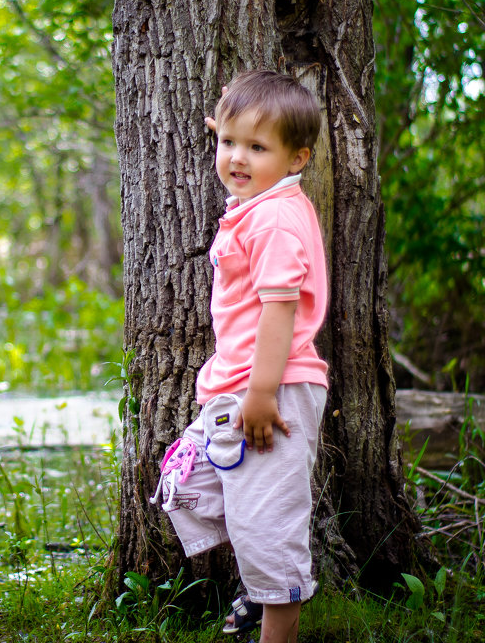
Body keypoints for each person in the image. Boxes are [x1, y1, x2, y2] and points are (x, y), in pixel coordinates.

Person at [150, 70, 329, 643]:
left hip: (271, 389)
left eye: (257, 147)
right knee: (194, 484)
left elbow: (279, 311)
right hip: (235, 388)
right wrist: (236, 128)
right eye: (228, 143)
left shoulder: (275, 219)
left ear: (297, 159)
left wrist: (259, 392)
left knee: (270, 525)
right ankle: (256, 587)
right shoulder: (262, 200)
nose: (237, 158)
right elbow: (245, 148)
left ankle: (275, 620)